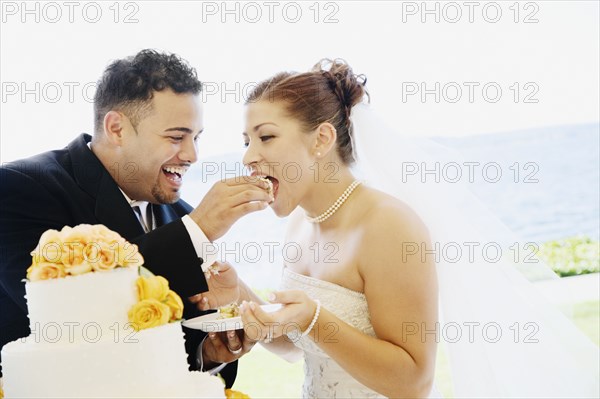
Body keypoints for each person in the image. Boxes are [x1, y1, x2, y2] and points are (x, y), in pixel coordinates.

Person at [198, 59, 600, 398]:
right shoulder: (302, 223)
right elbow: (295, 344)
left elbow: (414, 380)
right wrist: (239, 292)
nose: (249, 156)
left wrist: (312, 319)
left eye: (266, 137)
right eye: (246, 140)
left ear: (321, 139)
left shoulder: (388, 226)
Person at [0, 49, 271, 386]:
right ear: (117, 129)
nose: (191, 155)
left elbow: (169, 346)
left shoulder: (182, 217)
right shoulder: (18, 187)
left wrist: (209, 354)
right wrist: (196, 231)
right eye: (176, 137)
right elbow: (67, 315)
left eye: (196, 138)